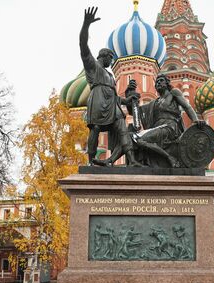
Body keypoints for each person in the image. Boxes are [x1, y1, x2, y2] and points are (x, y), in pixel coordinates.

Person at [79, 7, 139, 166]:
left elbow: (114, 96)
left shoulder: (110, 75)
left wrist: (126, 100)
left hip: (113, 105)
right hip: (98, 100)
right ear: (103, 56)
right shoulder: (93, 66)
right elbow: (83, 46)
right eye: (110, 58)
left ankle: (132, 160)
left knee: (122, 128)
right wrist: (86, 25)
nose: (111, 62)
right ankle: (91, 161)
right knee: (96, 129)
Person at [127, 74, 205, 167]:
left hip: (170, 127)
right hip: (157, 128)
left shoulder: (173, 93)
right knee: (130, 136)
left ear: (167, 83)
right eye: (157, 82)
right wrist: (129, 94)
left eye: (161, 80)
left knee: (139, 139)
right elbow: (134, 112)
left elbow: (187, 107)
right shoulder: (154, 103)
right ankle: (141, 163)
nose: (158, 82)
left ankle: (170, 158)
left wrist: (195, 120)